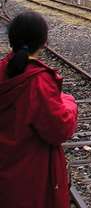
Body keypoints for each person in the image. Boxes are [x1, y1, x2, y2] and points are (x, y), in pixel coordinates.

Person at [0, 11, 78, 208]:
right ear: (44, 41)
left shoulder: (4, 69)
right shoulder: (38, 81)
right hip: (33, 175)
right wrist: (69, 103)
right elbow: (59, 129)